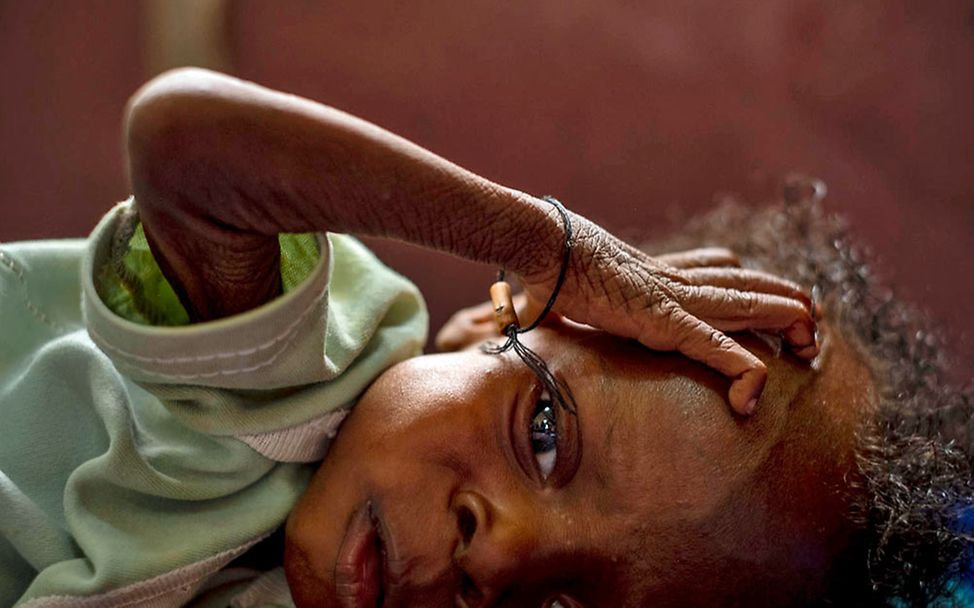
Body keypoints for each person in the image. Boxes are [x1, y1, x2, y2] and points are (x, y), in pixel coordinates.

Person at [0, 68, 964, 607]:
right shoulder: (297, 380)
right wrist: (547, 243)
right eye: (544, 434)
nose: (498, 556)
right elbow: (184, 143)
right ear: (491, 318)